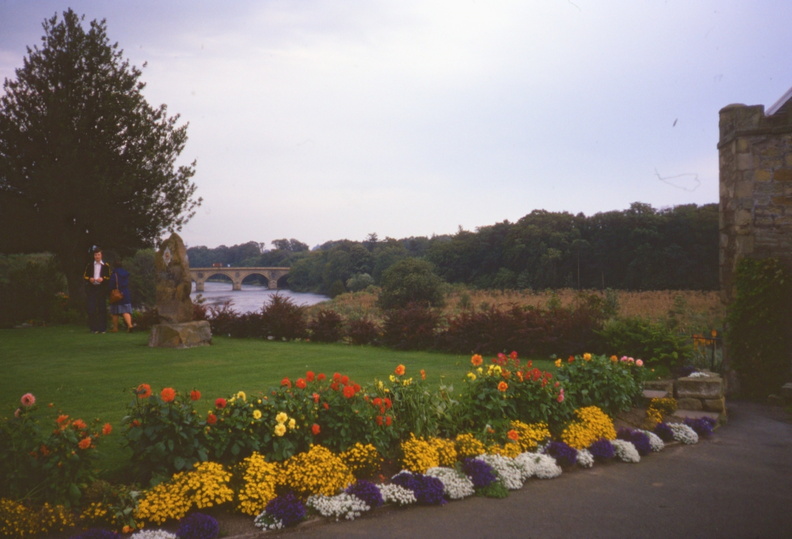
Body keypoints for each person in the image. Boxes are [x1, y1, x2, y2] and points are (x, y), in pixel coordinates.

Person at [83, 246, 111, 333]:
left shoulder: (106, 266)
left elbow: (109, 276)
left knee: (101, 308)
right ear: (94, 256)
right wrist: (89, 279)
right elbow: (85, 276)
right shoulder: (90, 265)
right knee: (92, 308)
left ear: (101, 255)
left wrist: (103, 279)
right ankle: (93, 328)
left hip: (101, 288)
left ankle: (102, 328)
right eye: (95, 255)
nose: (97, 256)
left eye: (98, 255)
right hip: (92, 288)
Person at [109, 260, 135, 333]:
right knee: (126, 311)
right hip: (125, 293)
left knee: (115, 312)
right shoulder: (125, 273)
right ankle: (130, 325)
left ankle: (115, 328)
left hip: (117, 293)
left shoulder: (114, 274)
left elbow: (111, 284)